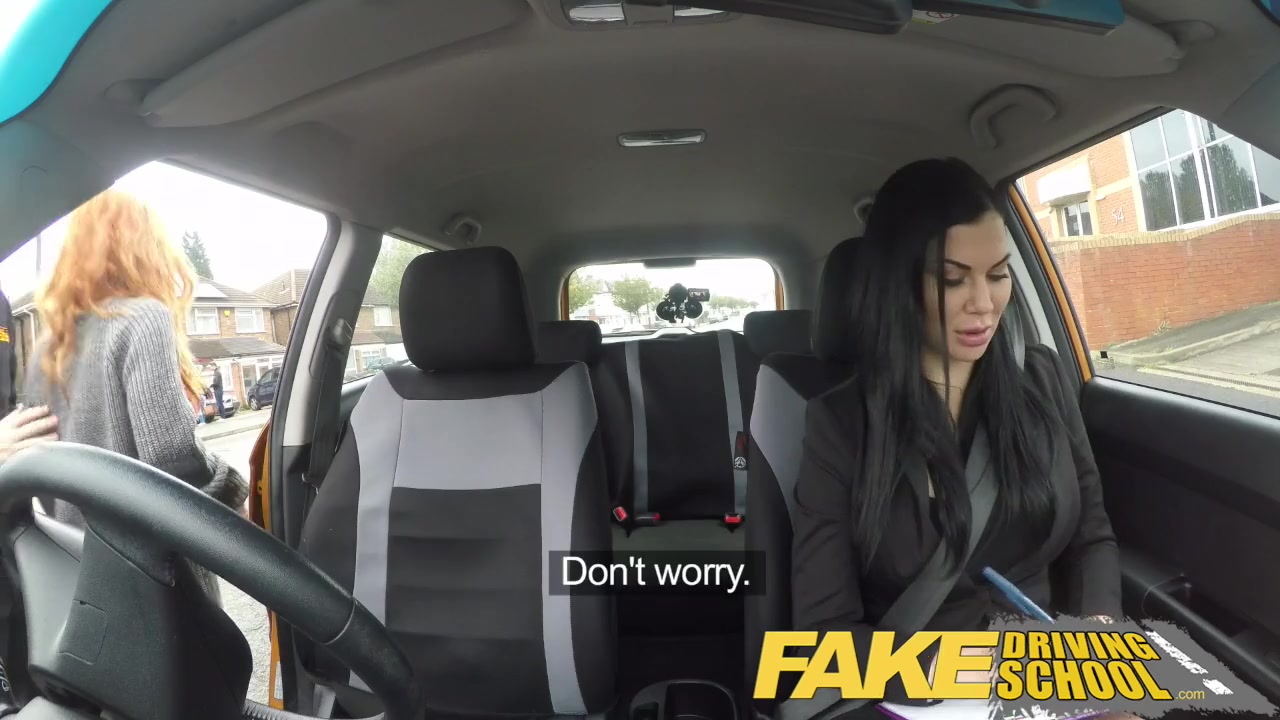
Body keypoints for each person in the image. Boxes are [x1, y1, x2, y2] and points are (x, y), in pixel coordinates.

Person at [790, 158, 1122, 712]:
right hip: (915, 695)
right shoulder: (839, 425)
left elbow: (1091, 537)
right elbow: (825, 636)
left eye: (998, 274)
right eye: (952, 279)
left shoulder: (1041, 378)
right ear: (898, 285)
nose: (984, 304)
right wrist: (988, 672)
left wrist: (1101, 651)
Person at [23, 188, 248, 601]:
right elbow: (172, 458)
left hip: (82, 579)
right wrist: (235, 494)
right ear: (145, 248)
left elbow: (38, 470)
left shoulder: (46, 352)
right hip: (159, 583)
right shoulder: (142, 317)